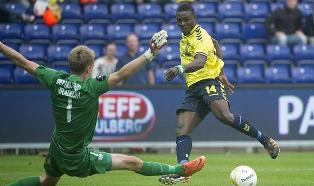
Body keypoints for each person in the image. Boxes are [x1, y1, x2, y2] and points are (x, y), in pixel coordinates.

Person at [1, 30, 206, 186]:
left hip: (56, 148)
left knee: (46, 181)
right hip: (77, 156)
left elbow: (24, 62)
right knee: (131, 162)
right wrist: (150, 53)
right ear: (90, 69)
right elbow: (122, 74)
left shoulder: (55, 79)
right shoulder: (91, 87)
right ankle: (180, 169)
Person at [159, 4, 280, 185]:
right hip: (193, 88)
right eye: (179, 20)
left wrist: (179, 68)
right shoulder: (187, 36)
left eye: (186, 20)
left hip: (208, 81)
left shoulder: (200, 36)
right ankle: (182, 170)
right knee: (181, 129)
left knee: (224, 115)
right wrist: (222, 69)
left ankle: (266, 141)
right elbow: (215, 43)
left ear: (195, 19)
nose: (182, 23)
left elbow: (200, 61)